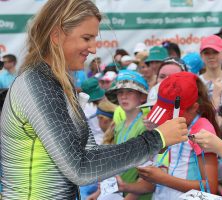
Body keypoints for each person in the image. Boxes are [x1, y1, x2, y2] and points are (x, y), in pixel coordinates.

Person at [0, 0, 188, 199]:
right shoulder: (37, 83)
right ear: (56, 36)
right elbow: (81, 168)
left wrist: (155, 144)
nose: (93, 49)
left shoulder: (58, 82)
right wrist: (155, 139)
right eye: (87, 38)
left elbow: (90, 152)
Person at [117, 72, 220, 199]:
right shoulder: (178, 126)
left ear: (194, 108)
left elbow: (210, 187)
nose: (166, 120)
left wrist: (162, 178)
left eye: (170, 115)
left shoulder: (202, 131)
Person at [105, 69, 153, 200]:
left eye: (130, 91)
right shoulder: (119, 126)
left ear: (142, 96)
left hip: (140, 196)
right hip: (121, 193)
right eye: (120, 92)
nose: (123, 96)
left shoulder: (146, 124)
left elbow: (148, 173)